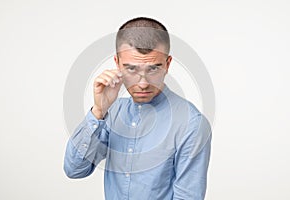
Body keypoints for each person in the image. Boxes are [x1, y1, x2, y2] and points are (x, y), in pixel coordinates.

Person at [64, 17, 212, 200]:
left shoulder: (191, 123)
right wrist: (98, 112)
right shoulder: (113, 112)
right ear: (117, 63)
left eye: (153, 69)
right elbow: (75, 169)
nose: (142, 84)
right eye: (131, 69)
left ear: (167, 64)